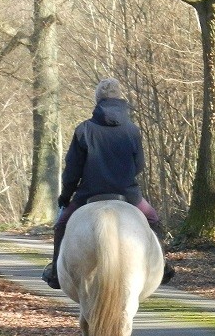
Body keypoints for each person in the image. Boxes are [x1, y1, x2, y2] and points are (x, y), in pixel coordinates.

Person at [41, 78, 175, 289]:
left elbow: (72, 170)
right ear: (120, 99)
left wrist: (66, 196)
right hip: (127, 195)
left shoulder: (84, 129)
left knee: (61, 224)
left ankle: (57, 273)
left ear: (97, 100)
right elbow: (139, 165)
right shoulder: (132, 130)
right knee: (152, 218)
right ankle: (163, 266)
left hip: (89, 195)